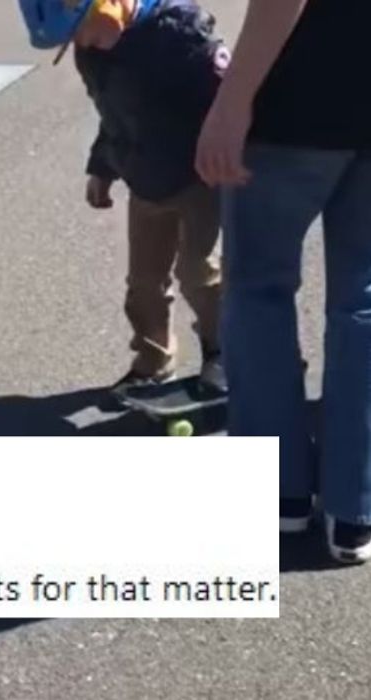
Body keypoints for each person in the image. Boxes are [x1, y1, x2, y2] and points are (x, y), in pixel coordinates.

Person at [196, 0, 371, 564]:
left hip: (295, 105)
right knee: (363, 300)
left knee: (259, 292)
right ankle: (354, 510)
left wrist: (231, 101)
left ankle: (281, 493)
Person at [19, 0, 229, 398]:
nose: (84, 42)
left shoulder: (180, 33)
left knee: (198, 273)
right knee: (144, 283)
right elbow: (112, 114)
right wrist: (101, 167)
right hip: (144, 178)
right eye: (73, 40)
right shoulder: (93, 54)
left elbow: (227, 102)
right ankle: (153, 360)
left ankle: (224, 351)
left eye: (83, 28)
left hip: (199, 178)